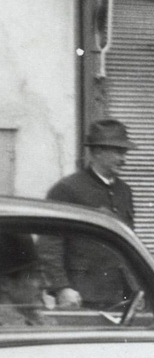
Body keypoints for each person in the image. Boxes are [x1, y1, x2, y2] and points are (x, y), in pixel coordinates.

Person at [43, 118, 137, 309]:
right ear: (97, 152)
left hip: (122, 294)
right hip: (82, 296)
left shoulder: (124, 191)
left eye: (124, 152)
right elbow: (49, 244)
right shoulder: (68, 189)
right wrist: (62, 288)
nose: (123, 159)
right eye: (118, 152)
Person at [0, 233, 50, 327]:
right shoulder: (11, 330)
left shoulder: (33, 319)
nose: (46, 284)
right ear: (5, 284)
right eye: (35, 275)